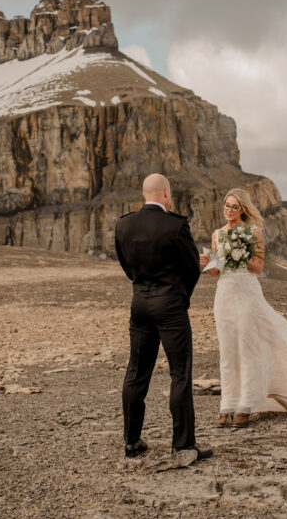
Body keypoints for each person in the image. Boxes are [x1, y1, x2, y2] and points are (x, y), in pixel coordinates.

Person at [199, 188, 287, 429]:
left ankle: (246, 405)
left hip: (247, 293)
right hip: (225, 294)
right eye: (226, 206)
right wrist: (208, 264)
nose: (229, 211)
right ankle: (227, 405)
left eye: (234, 207)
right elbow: (216, 272)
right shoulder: (217, 234)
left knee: (248, 348)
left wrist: (237, 255)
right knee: (228, 351)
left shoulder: (253, 232)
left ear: (243, 210)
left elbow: (258, 266)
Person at [114, 173, 211, 461]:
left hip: (140, 304)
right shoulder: (176, 225)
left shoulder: (123, 224)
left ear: (144, 194)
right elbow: (191, 268)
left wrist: (143, 286)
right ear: (166, 193)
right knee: (180, 373)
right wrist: (180, 297)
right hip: (170, 307)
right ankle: (182, 444)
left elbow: (126, 265)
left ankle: (132, 441)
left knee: (136, 371)